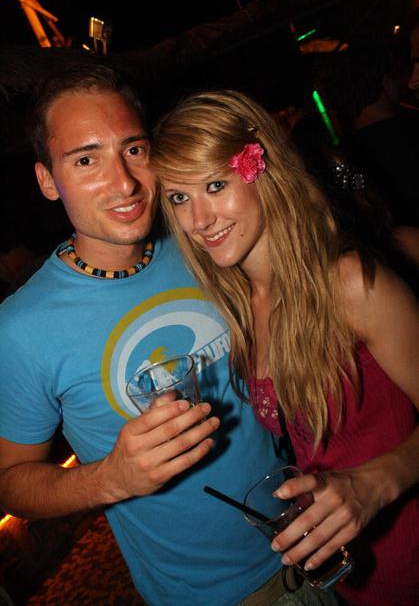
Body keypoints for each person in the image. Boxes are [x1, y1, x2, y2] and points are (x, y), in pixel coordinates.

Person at [0, 64, 339, 606]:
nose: (124, 182)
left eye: (133, 150)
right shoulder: (21, 327)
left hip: (318, 533)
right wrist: (110, 479)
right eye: (86, 160)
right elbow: (11, 481)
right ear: (46, 180)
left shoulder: (204, 240)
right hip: (215, 595)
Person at [151, 89, 419, 606]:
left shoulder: (349, 284)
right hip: (351, 578)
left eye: (215, 185)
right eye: (179, 197)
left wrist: (374, 483)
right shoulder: (238, 306)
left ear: (262, 171)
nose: (198, 220)